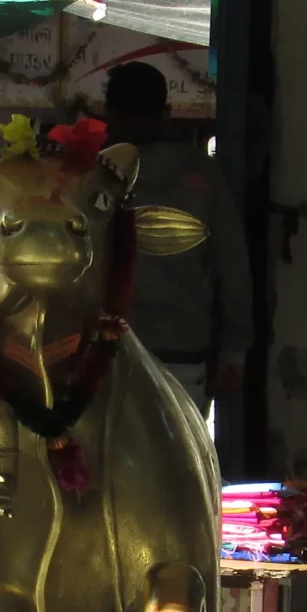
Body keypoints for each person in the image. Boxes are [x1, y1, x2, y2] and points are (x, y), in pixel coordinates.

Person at [103, 61, 253, 410]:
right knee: (180, 461)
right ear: (166, 112)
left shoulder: (87, 175)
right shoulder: (202, 173)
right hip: (183, 351)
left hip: (101, 355)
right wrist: (234, 352)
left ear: (108, 112)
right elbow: (232, 267)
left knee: (100, 463)